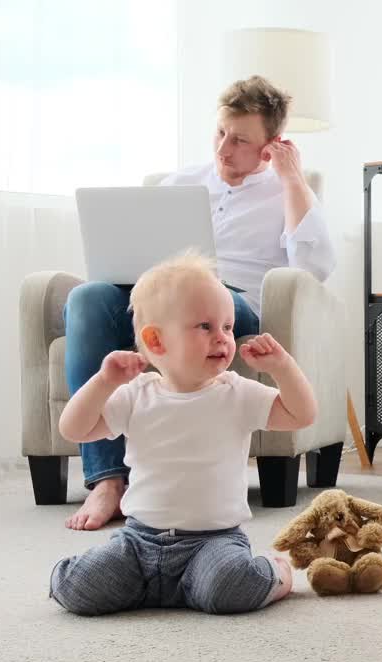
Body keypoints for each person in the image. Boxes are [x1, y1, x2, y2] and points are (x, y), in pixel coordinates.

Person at [63, 75, 333, 530]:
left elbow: (313, 266)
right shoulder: (181, 181)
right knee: (87, 297)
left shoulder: (287, 190)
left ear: (271, 146)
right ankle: (108, 481)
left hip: (228, 304)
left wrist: (290, 177)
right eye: (221, 133)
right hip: (159, 296)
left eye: (241, 140)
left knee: (209, 304)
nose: (224, 149)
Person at [50, 252, 316, 615]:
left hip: (213, 543)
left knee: (230, 588)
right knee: (79, 588)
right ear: (156, 342)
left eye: (227, 326)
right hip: (139, 541)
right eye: (205, 326)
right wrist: (103, 382)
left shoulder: (236, 392)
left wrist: (282, 368)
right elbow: (74, 428)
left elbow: (301, 414)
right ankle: (153, 585)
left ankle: (276, 572)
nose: (222, 338)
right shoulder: (135, 394)